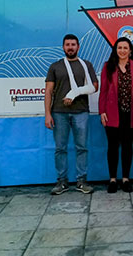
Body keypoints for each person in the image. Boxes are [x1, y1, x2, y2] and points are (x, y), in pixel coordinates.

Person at [45, 34, 98, 195]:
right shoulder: (55, 66)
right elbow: (48, 91)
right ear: (63, 47)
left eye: (73, 44)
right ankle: (62, 182)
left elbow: (94, 86)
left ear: (78, 47)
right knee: (60, 148)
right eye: (67, 44)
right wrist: (47, 114)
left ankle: (81, 181)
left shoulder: (86, 65)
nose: (70, 47)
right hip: (59, 112)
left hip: (80, 112)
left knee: (82, 147)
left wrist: (74, 93)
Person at [98, 38, 133, 193]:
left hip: (130, 114)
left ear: (130, 51)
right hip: (112, 114)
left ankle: (125, 179)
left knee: (127, 146)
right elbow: (103, 91)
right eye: (119, 47)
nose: (122, 50)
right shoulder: (108, 66)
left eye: (125, 48)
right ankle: (112, 179)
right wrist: (102, 111)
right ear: (115, 50)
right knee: (112, 146)